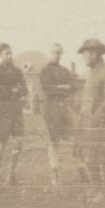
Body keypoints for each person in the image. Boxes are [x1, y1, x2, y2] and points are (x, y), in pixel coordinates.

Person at [76, 39, 105, 204]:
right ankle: (95, 187)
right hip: (88, 122)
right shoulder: (91, 72)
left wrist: (97, 118)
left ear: (94, 54)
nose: (83, 57)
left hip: (104, 124)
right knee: (89, 156)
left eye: (85, 54)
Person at [39, 43, 76, 192]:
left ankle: (82, 169)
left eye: (59, 53)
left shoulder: (64, 70)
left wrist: (61, 87)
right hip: (51, 107)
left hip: (64, 106)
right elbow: (49, 89)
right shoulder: (45, 70)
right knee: (54, 141)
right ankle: (54, 175)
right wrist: (63, 87)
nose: (56, 55)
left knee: (77, 135)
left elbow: (73, 86)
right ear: (50, 53)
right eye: (54, 52)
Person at [0, 43, 28, 186]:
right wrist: (13, 90)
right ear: (1, 55)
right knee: (2, 141)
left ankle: (11, 174)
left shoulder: (17, 71)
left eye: (11, 53)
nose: (10, 56)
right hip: (3, 110)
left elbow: (24, 89)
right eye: (7, 53)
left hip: (16, 110)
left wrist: (15, 90)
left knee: (18, 141)